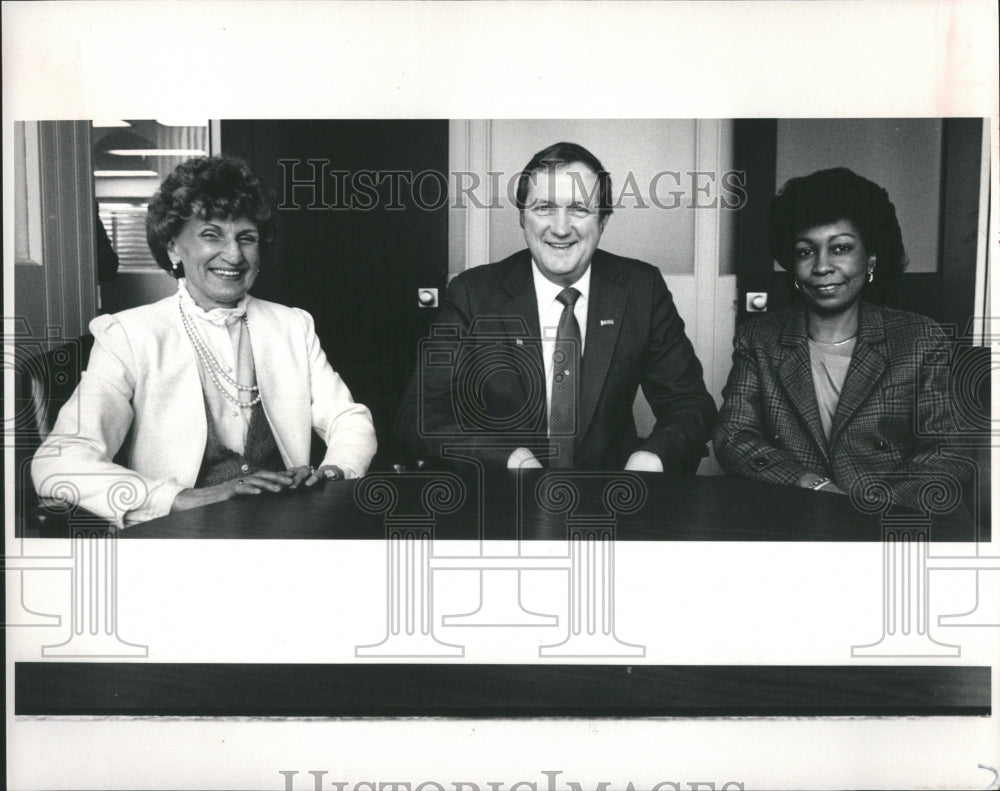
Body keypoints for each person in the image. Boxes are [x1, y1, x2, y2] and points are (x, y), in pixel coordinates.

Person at [32, 156, 377, 526]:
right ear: (173, 248)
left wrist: (332, 472)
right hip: (180, 539)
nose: (233, 255)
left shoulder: (292, 325)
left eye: (247, 238)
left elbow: (349, 418)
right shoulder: (129, 335)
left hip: (286, 527)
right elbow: (58, 461)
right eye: (211, 234)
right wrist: (179, 499)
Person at [396, 141, 716, 472]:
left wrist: (653, 457)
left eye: (579, 209)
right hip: (503, 501)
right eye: (544, 208)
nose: (561, 228)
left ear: (603, 220)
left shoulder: (641, 289)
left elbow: (690, 404)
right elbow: (419, 415)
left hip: (610, 498)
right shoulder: (473, 294)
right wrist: (506, 458)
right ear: (522, 217)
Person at [713, 167, 968, 509]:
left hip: (887, 519)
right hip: (791, 510)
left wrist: (868, 503)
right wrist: (810, 484)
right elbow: (733, 437)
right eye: (806, 251)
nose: (821, 266)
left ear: (872, 259)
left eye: (840, 248)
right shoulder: (759, 339)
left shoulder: (919, 338)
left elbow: (946, 451)